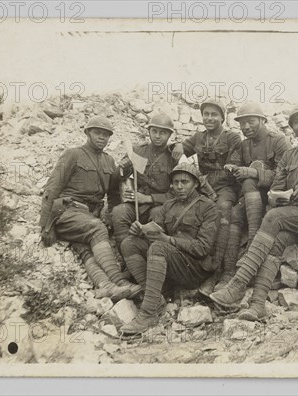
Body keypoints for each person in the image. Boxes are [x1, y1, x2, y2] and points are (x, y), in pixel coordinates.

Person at [209, 104, 298, 321]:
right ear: (292, 128)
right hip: (289, 216)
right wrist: (279, 195)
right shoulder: (289, 156)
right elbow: (276, 188)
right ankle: (257, 305)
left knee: (273, 217)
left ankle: (238, 285)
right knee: (276, 242)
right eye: (296, 122)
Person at [39, 115, 141, 300]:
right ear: (87, 133)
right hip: (66, 212)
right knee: (96, 228)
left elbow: (113, 194)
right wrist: (46, 225)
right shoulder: (73, 154)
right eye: (97, 133)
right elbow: (52, 188)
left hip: (87, 217)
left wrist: (111, 215)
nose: (102, 137)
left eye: (106, 135)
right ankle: (121, 282)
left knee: (86, 249)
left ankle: (107, 287)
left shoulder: (109, 161)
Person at [199, 101, 290, 295]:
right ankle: (227, 272)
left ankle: (252, 243)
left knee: (249, 181)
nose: (246, 127)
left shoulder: (278, 140)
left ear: (262, 120)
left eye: (251, 122)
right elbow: (234, 165)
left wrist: (254, 174)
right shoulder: (244, 145)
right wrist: (233, 169)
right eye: (242, 123)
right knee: (232, 215)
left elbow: (287, 175)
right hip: (250, 198)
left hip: (275, 196)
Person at [119, 163, 220, 334]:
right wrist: (141, 230)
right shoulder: (168, 205)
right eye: (175, 182)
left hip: (194, 269)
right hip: (173, 260)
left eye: (185, 182)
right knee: (129, 243)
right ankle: (155, 299)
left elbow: (203, 248)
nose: (179, 186)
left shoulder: (208, 207)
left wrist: (168, 240)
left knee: (159, 248)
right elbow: (156, 230)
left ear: (196, 184)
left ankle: (148, 313)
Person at [172, 98, 242, 274]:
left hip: (225, 188)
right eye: (206, 114)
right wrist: (178, 145)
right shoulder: (199, 137)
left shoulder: (232, 137)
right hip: (203, 187)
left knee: (222, 208)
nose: (209, 118)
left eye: (214, 114)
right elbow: (181, 148)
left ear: (222, 118)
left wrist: (209, 187)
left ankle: (217, 264)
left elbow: (231, 169)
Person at [112, 112, 177, 248]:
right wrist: (123, 169)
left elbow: (177, 193)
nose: (157, 136)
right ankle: (125, 255)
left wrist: (148, 198)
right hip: (135, 205)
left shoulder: (173, 158)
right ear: (148, 131)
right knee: (119, 212)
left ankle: (148, 256)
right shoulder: (137, 151)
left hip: (159, 206)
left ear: (170, 135)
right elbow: (118, 179)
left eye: (163, 133)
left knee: (157, 216)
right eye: (154, 131)